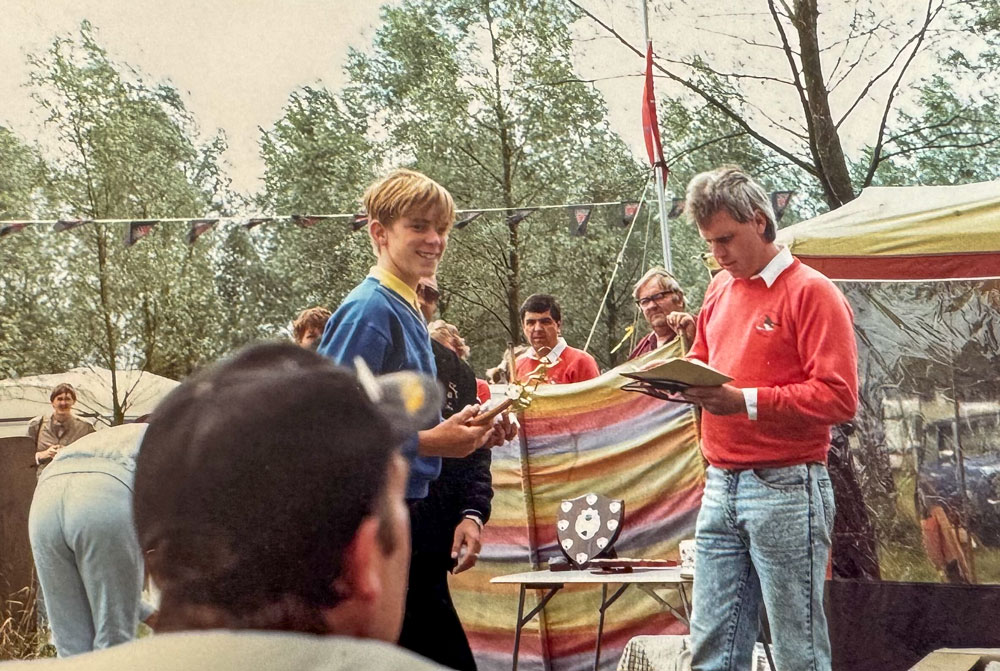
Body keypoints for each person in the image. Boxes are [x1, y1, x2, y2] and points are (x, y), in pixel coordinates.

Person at [3, 342, 452, 670]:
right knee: (111, 633)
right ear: (362, 558)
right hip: (107, 488)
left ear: (161, 566)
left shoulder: (174, 467)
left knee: (78, 646)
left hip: (50, 490)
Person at [678, 166, 858, 671]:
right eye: (709, 244)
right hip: (720, 483)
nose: (718, 255)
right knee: (711, 649)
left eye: (726, 240)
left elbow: (839, 398)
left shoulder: (812, 291)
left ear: (760, 220)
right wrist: (676, 377)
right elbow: (703, 355)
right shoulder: (718, 289)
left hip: (788, 485)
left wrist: (744, 401)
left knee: (797, 652)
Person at [317, 168, 512, 501]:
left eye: (442, 228)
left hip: (402, 504)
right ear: (380, 233)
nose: (435, 240)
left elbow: (395, 420)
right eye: (419, 226)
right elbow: (328, 430)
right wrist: (433, 442)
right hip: (366, 511)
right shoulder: (370, 311)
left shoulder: (405, 309)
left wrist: (471, 431)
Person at [398, 278, 493, 670]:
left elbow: (474, 454)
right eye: (412, 290)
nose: (422, 301)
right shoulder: (371, 353)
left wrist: (472, 514)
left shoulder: (455, 368)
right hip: (380, 538)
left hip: (433, 541)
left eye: (430, 294)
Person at [28, 424, 148, 657]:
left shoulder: (113, 435)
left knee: (70, 645)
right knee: (114, 643)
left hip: (46, 495)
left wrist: (145, 609)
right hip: (107, 489)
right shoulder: (178, 437)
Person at [514, 294, 600, 385]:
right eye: (531, 323)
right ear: (523, 327)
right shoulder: (519, 364)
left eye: (545, 322)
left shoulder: (581, 362)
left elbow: (597, 398)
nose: (537, 328)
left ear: (558, 325)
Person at [629, 267, 696, 359]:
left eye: (658, 297)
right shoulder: (641, 349)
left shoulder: (702, 330)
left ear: (679, 299)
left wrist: (692, 339)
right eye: (645, 301)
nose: (652, 306)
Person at [28, 383, 95, 470]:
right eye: (59, 399)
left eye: (67, 399)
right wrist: (43, 455)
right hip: (44, 479)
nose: (63, 403)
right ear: (52, 402)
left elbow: (95, 455)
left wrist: (70, 452)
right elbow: (23, 459)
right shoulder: (36, 425)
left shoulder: (86, 427)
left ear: (73, 402)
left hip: (73, 477)